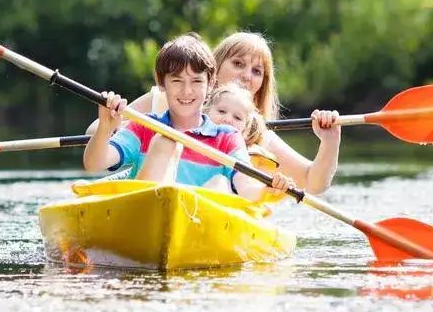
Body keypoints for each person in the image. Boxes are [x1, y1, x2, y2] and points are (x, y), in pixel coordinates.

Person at [120, 32, 341, 194]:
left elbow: (314, 182)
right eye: (238, 63)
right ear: (213, 69)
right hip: (151, 196)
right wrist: (143, 130)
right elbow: (98, 130)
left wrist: (330, 142)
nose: (246, 75)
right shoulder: (165, 98)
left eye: (257, 71)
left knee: (221, 183)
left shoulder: (258, 134)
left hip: (212, 210)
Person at [82, 33, 291, 202]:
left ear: (210, 84)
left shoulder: (228, 138)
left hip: (197, 223)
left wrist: (268, 188)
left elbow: (246, 186)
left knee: (220, 181)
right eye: (177, 80)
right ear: (162, 83)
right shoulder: (143, 127)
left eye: (196, 81)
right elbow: (94, 164)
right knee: (164, 142)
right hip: (146, 212)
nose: (186, 91)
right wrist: (105, 129)